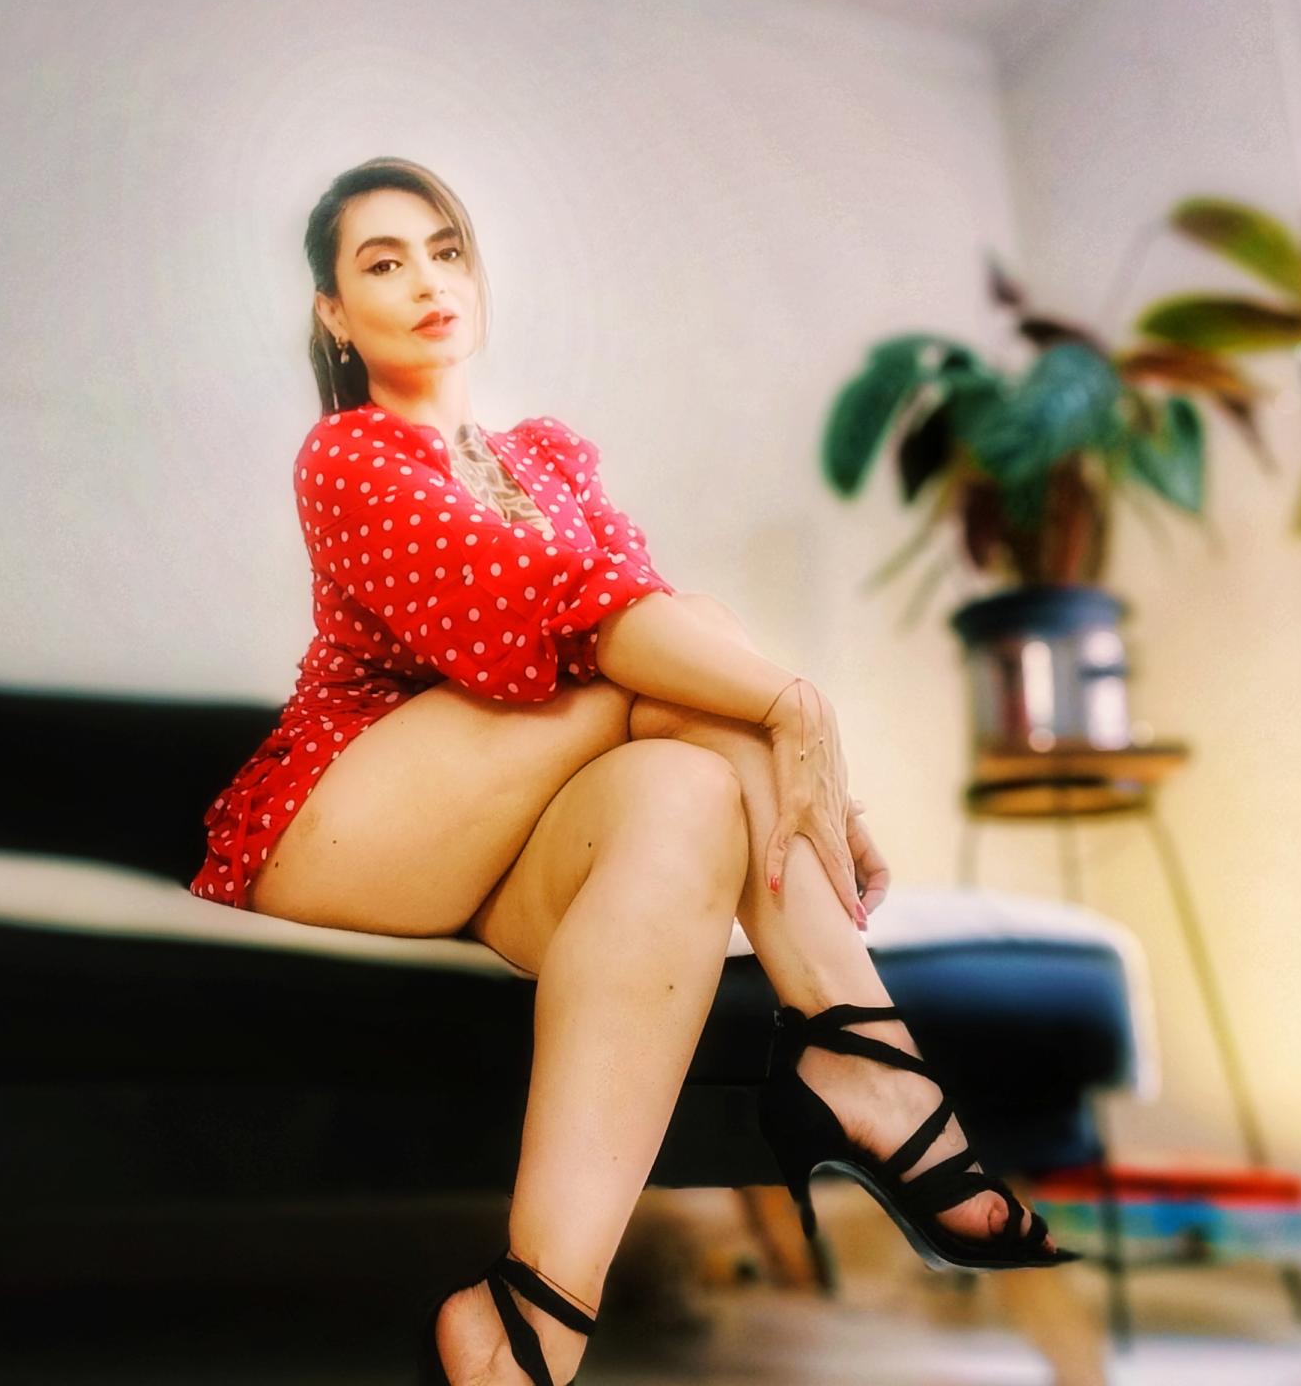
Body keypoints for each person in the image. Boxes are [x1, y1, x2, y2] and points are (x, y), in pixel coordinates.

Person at [189, 157, 1079, 1386]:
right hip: (349, 821)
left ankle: (533, 1317)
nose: (429, 281)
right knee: (680, 659)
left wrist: (783, 746)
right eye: (384, 264)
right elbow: (565, 615)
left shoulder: (551, 460)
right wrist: (799, 716)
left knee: (692, 786)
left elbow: (657, 631)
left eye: (446, 250)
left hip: (506, 850)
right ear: (335, 314)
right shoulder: (347, 457)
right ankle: (866, 1055)